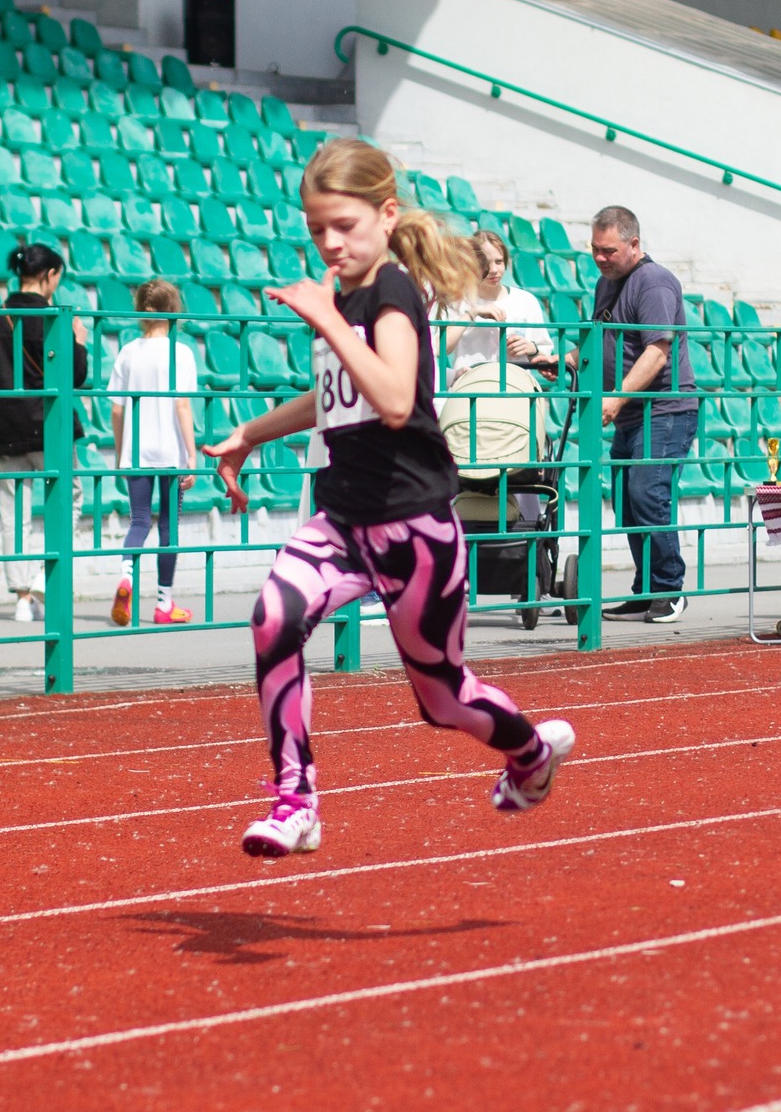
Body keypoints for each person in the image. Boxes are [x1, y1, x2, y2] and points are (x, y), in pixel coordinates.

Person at [204, 137, 573, 859]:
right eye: (316, 229)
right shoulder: (345, 297)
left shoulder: (393, 292)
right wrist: (250, 433)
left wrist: (328, 322)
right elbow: (337, 393)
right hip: (344, 518)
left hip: (414, 527)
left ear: (387, 215)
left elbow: (397, 398)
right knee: (273, 619)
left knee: (443, 699)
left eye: (343, 226)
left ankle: (530, 752)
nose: (329, 243)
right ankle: (295, 800)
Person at [0, 242, 88, 624]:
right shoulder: (53, 318)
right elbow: (74, 375)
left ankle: (22, 598)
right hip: (47, 425)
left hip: (5, 428)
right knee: (68, 498)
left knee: (13, 513)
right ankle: (42, 579)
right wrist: (78, 342)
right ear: (49, 275)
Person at [589, 205, 698, 623]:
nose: (600, 258)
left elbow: (657, 351)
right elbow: (601, 342)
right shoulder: (606, 283)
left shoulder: (652, 281)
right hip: (634, 414)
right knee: (628, 502)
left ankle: (670, 590)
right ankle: (647, 589)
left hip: (664, 409)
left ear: (634, 244)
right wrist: (563, 360)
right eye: (595, 249)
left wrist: (615, 398)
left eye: (609, 251)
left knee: (646, 494)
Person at [107, 279, 197, 626]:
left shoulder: (128, 351)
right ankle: (164, 603)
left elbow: (117, 409)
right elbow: (182, 406)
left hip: (136, 448)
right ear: (172, 311)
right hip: (170, 449)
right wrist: (192, 455)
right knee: (168, 526)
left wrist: (121, 453)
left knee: (139, 520)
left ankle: (126, 576)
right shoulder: (181, 352)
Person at [446, 229, 554, 383]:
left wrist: (531, 349)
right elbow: (441, 348)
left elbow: (545, 358)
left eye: (499, 262)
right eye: (485, 263)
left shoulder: (526, 301)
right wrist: (471, 314)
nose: (494, 270)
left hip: (516, 387)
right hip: (471, 386)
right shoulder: (457, 301)